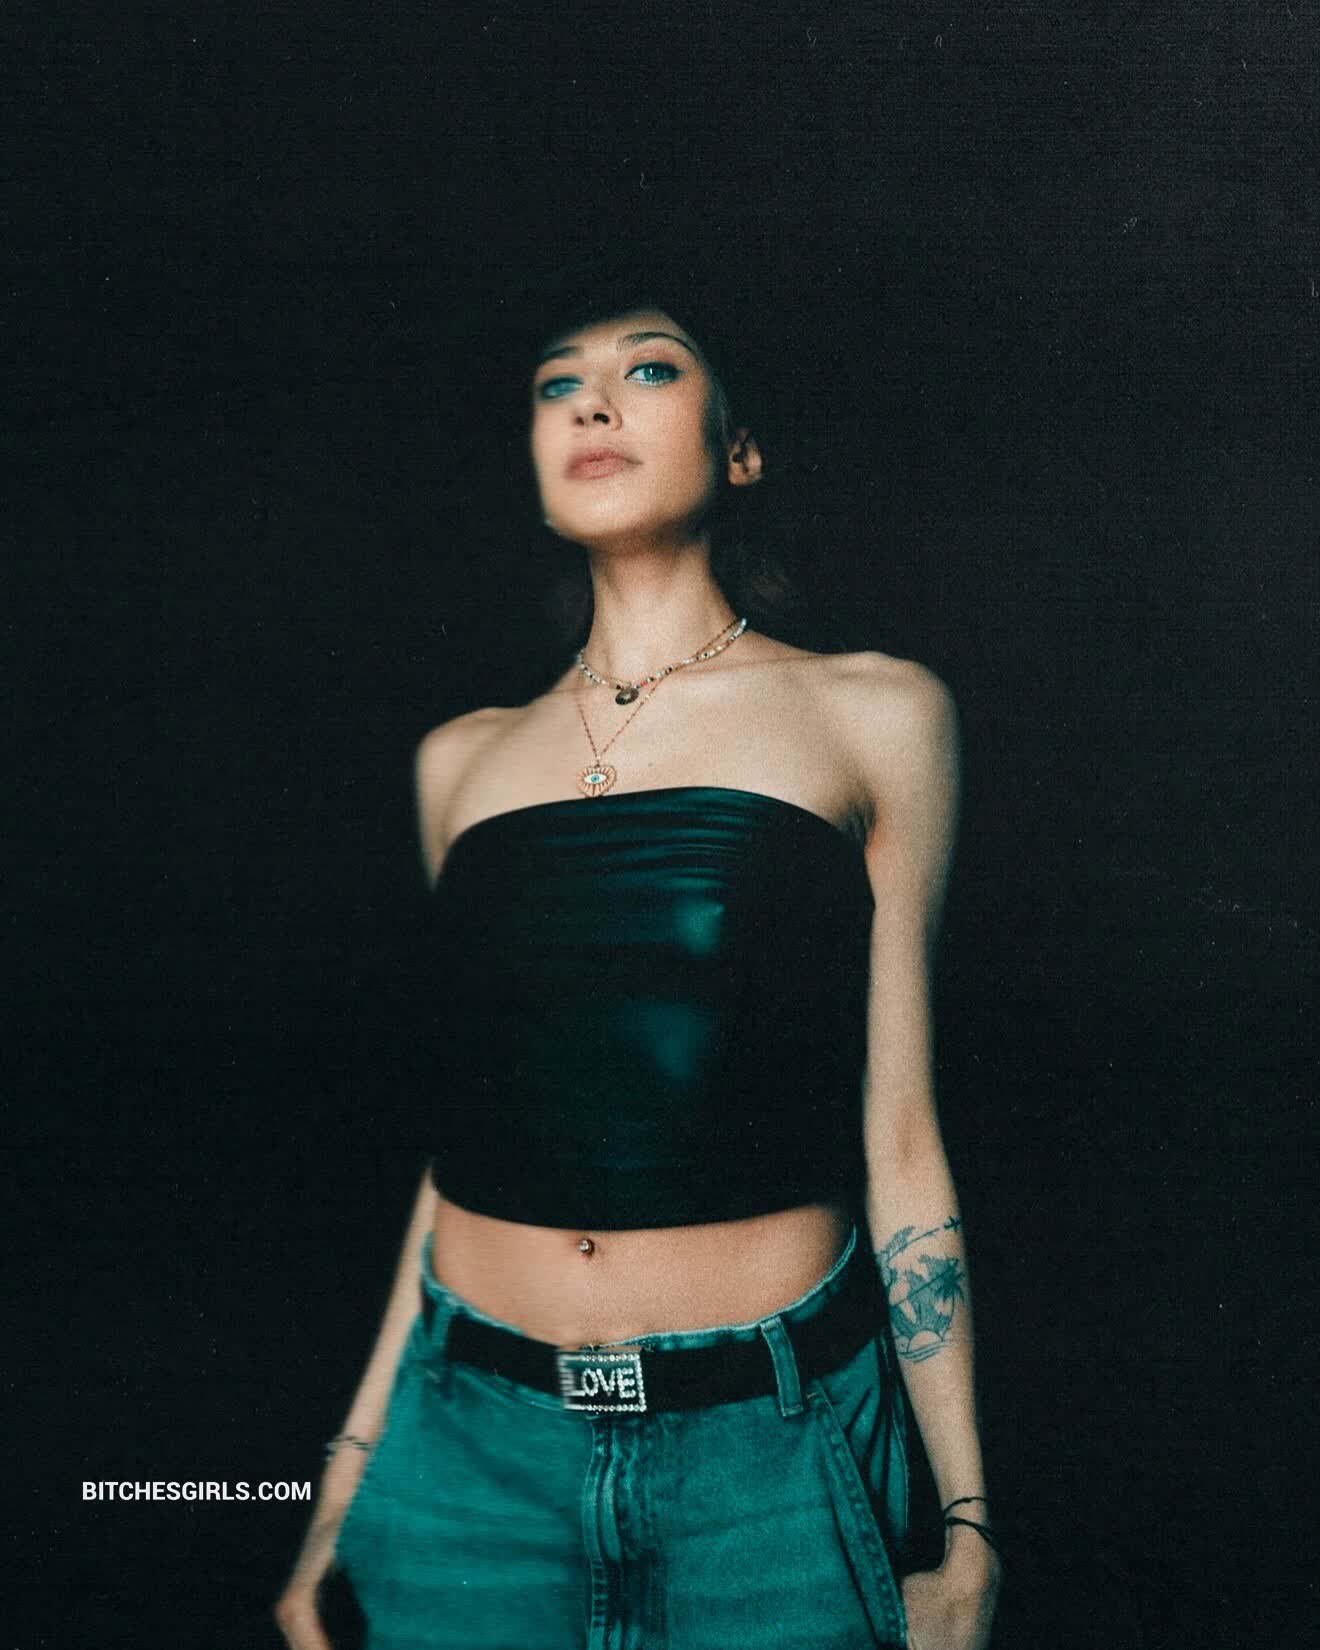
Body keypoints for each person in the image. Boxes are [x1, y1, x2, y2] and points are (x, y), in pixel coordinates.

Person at [274, 282, 1003, 1650]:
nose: (593, 404)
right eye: (559, 384)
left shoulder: (876, 711)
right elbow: (462, 1150)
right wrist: (349, 1475)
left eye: (650, 370)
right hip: (466, 1454)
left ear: (743, 449)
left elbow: (901, 1130)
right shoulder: (459, 760)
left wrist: (967, 1524)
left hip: (763, 1463)